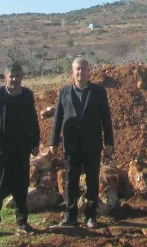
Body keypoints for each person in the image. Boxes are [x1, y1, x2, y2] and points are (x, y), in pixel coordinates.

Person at [50, 57, 114, 229]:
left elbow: (106, 119)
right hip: (71, 145)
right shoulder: (64, 92)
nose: (80, 72)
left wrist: (109, 141)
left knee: (93, 180)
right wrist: (53, 141)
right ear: (73, 71)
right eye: (77, 69)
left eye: (83, 69)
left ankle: (91, 216)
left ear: (89, 71)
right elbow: (57, 119)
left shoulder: (99, 92)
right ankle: (70, 215)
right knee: (71, 180)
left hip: (92, 144)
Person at [0, 63, 40, 237]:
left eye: (18, 75)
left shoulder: (27, 95)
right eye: (11, 76)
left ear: (22, 77)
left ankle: (22, 223)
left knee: (21, 188)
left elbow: (33, 120)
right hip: (0, 152)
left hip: (21, 151)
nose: (14, 79)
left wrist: (35, 143)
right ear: (5, 77)